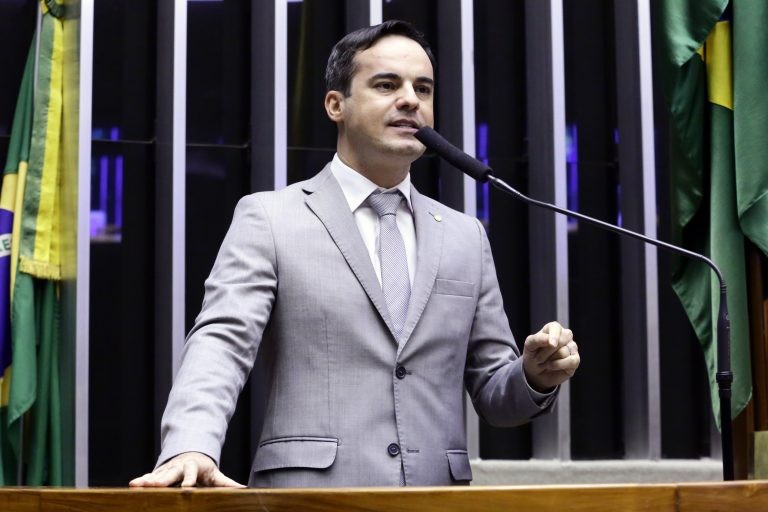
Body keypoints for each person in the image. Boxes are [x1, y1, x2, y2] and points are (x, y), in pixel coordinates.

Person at [130, 20, 579, 489]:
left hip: (435, 499)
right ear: (335, 104)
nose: (410, 100)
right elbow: (222, 342)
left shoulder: (465, 236)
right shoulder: (270, 218)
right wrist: (191, 443)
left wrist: (534, 375)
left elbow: (495, 395)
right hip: (309, 498)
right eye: (387, 85)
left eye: (422, 89)